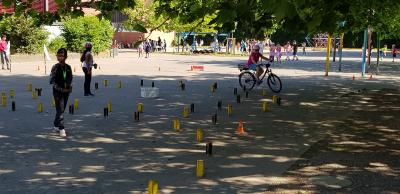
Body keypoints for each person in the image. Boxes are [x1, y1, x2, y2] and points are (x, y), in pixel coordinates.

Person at [50, 48, 72, 137]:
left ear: (66, 57)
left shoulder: (68, 67)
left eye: (62, 56)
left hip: (66, 92)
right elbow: (52, 81)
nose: (60, 57)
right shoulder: (55, 67)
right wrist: (61, 89)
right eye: (58, 56)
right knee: (60, 109)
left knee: (61, 109)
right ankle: (61, 128)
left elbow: (70, 78)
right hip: (57, 92)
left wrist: (69, 87)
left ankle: (55, 125)